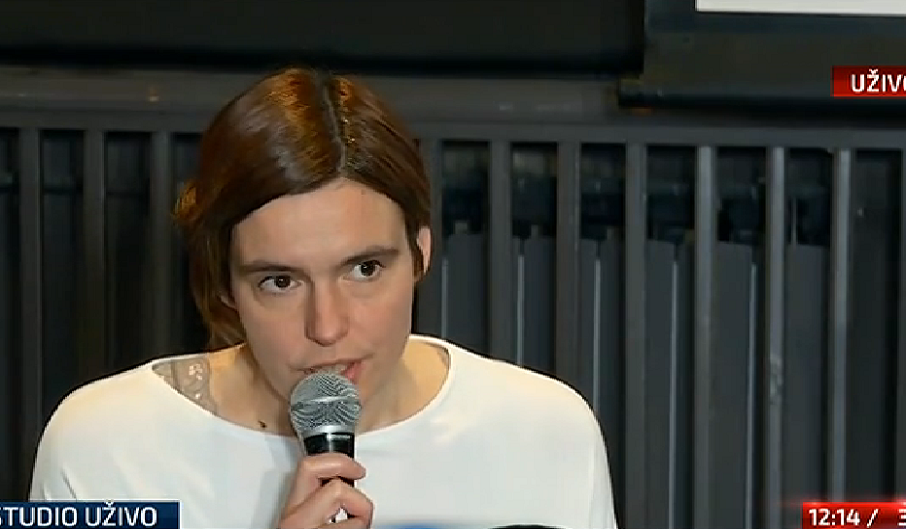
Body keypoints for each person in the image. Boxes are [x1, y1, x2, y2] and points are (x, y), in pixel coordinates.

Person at [29, 67, 618, 529]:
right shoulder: (104, 444)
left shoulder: (546, 432)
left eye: (364, 269)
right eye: (280, 281)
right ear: (226, 283)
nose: (327, 326)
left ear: (420, 253)